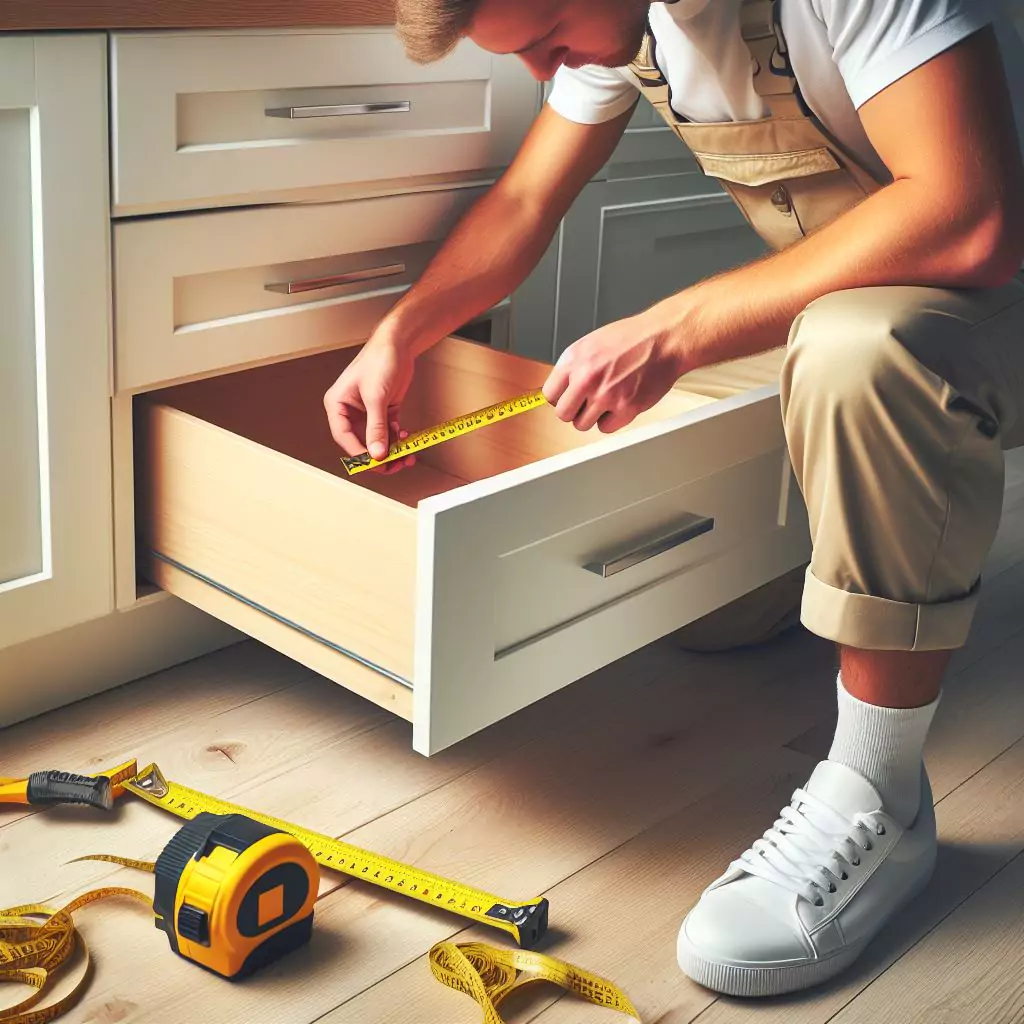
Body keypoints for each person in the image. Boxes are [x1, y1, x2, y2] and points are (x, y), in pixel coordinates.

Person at [323, 0, 1024, 998]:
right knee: (714, 613)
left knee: (856, 353)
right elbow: (523, 204)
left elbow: (969, 216)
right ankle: (864, 539)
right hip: (871, 302)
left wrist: (678, 324)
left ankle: (879, 790)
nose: (540, 72)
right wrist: (402, 332)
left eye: (542, 41)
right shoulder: (617, 22)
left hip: (998, 293)